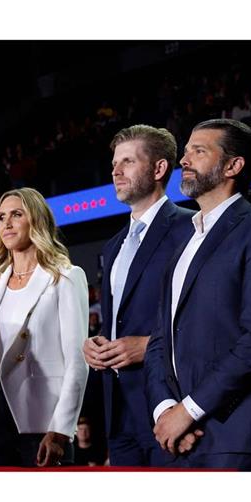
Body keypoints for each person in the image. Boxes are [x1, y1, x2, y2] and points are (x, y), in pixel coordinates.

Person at [144, 118, 251, 469]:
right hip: (181, 439)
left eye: (198, 151)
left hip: (241, 438)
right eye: (185, 151)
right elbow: (159, 341)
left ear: (233, 165)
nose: (184, 159)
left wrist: (189, 409)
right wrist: (166, 409)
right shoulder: (184, 242)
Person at [82, 125, 194, 467]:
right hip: (118, 411)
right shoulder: (114, 245)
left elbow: (205, 318)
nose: (116, 171)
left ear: (159, 169)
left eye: (128, 162)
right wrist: (96, 344)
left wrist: (148, 345)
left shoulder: (191, 228)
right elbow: (116, 322)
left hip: (170, 406)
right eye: (115, 163)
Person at [0, 188, 89, 468]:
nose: (6, 223)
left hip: (42, 421)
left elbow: (77, 362)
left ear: (37, 221)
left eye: (17, 214)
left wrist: (60, 430)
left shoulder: (65, 277)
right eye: (1, 217)